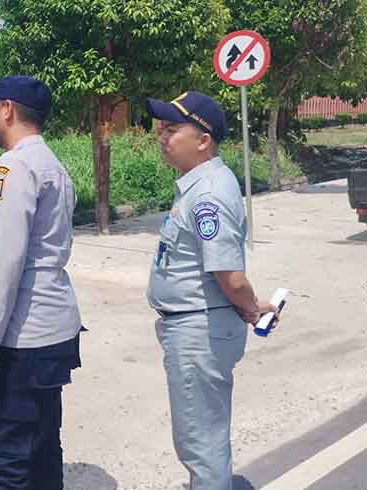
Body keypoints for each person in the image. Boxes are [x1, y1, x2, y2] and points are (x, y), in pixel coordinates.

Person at [145, 91, 280, 490]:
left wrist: (253, 309)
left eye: (172, 129)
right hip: (194, 326)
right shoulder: (199, 185)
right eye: (161, 129)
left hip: (198, 332)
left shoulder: (208, 194)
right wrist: (252, 307)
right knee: (202, 438)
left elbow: (230, 277)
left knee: (200, 444)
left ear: (203, 140)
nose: (162, 137)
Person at [0, 75, 82, 490]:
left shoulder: (14, 165)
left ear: (7, 110)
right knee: (41, 447)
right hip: (54, 328)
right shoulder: (52, 164)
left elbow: (4, 263)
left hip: (25, 336)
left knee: (6, 457)